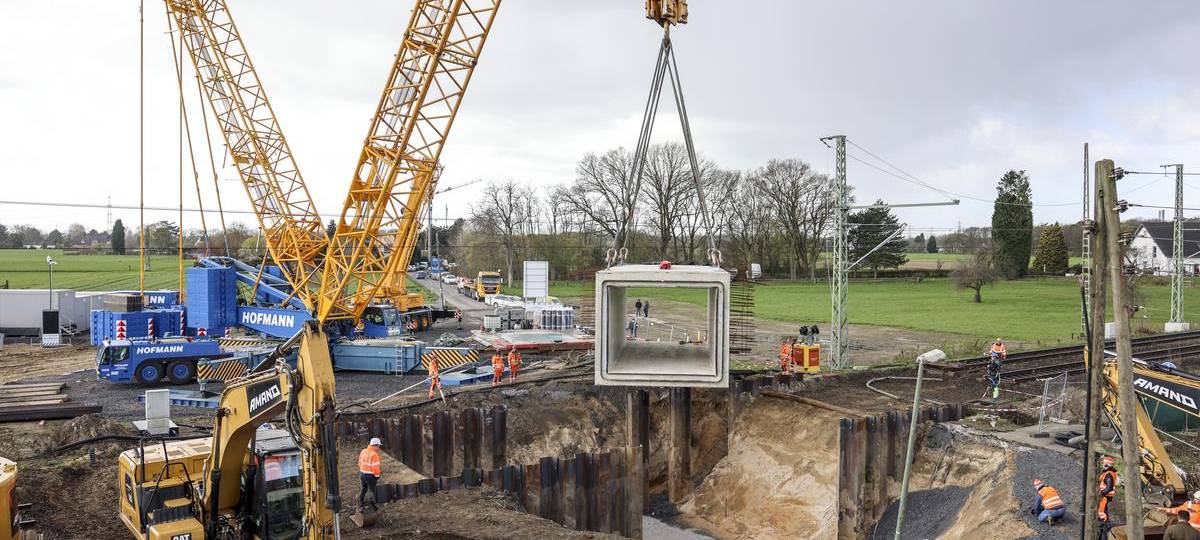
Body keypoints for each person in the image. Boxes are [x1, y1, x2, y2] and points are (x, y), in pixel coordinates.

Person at [357, 438, 383, 510]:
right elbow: (375, 468)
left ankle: (361, 503)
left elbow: (359, 462)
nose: (379, 448)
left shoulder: (363, 451)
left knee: (363, 489)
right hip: (370, 476)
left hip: (362, 474)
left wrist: (363, 470)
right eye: (378, 446)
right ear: (375, 445)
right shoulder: (374, 455)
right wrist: (377, 476)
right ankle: (373, 506)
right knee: (373, 491)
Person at [1098, 455, 1118, 539]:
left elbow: (1109, 487)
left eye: (1104, 463)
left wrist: (1102, 493)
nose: (1103, 465)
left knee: (1103, 514)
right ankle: (1107, 528)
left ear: (1107, 465)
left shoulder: (1108, 475)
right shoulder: (1109, 473)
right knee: (1105, 512)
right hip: (1106, 496)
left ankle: (1105, 532)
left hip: (1105, 496)